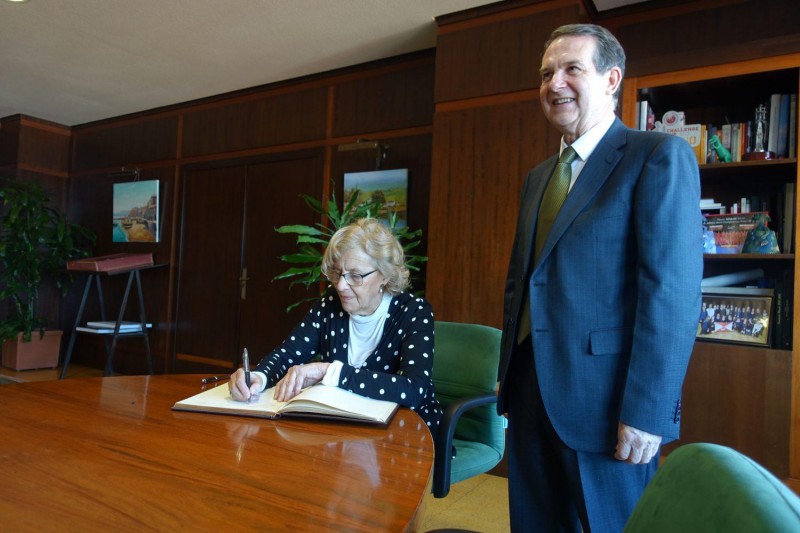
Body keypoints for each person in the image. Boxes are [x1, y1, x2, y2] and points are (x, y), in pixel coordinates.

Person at [496, 24, 703, 532]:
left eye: (572, 69)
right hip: (529, 394)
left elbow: (671, 295)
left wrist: (649, 411)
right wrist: (508, 375)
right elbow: (524, 282)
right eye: (546, 73)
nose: (554, 83)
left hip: (608, 406)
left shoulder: (654, 156)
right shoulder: (539, 177)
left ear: (611, 79)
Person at [229, 217, 442, 430]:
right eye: (338, 273)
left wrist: (329, 372)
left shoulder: (414, 312)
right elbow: (287, 354)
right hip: (344, 429)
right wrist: (259, 376)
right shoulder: (331, 303)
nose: (341, 286)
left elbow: (414, 390)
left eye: (355, 276)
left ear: (384, 276)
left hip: (404, 435)